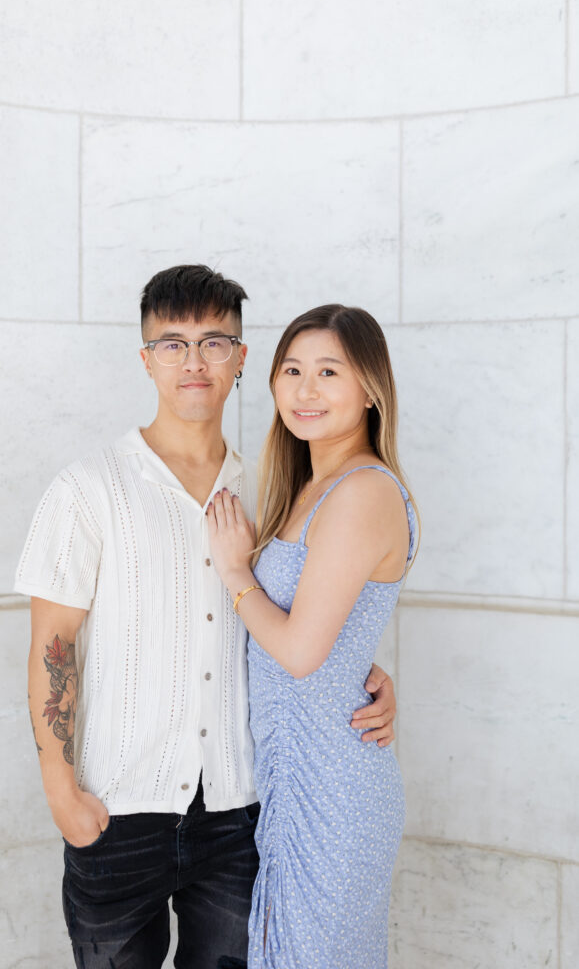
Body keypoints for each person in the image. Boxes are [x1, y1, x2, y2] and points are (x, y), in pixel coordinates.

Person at [15, 267, 398, 969]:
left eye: (215, 342)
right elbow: (54, 643)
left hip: (240, 812)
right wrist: (59, 790)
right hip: (117, 808)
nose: (194, 362)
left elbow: (303, 613)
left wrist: (363, 671)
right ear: (146, 359)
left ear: (242, 359)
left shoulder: (274, 489)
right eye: (172, 344)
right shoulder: (87, 488)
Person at [206, 303, 417, 969]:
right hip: (292, 781)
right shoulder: (308, 485)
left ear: (368, 390)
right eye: (291, 369)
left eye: (329, 371)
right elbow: (327, 625)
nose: (305, 389)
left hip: (333, 790)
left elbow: (298, 652)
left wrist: (236, 573)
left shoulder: (360, 491)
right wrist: (366, 666)